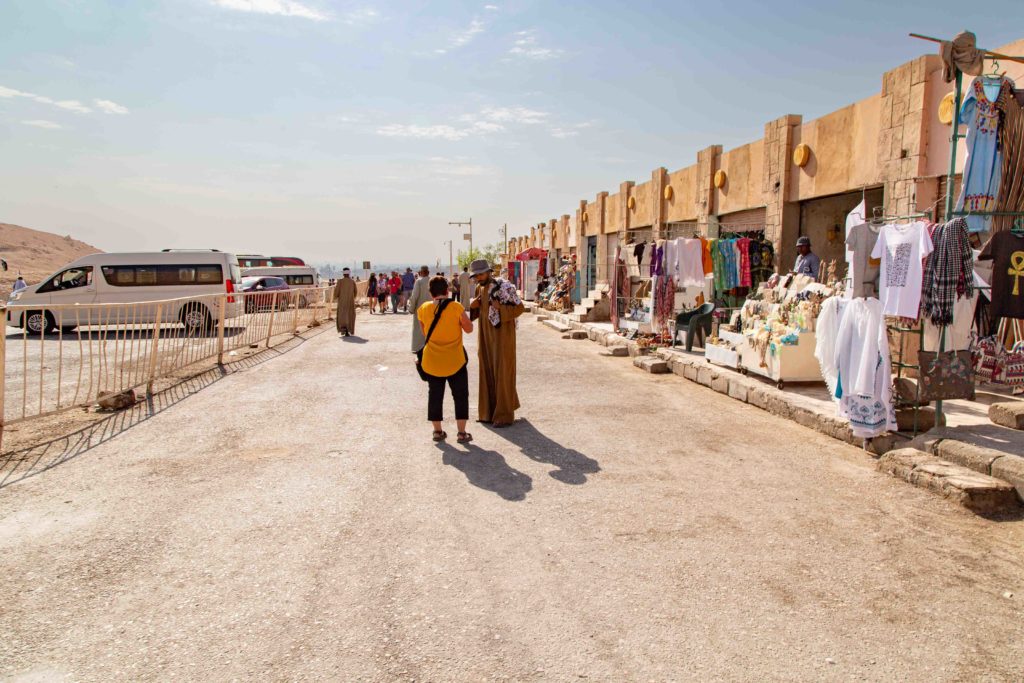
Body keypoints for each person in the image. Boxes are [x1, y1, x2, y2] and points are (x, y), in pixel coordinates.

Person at [468, 259, 525, 427]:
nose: (478, 277)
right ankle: (487, 412)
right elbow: (481, 311)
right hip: (485, 336)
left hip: (503, 337)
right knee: (486, 370)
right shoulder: (480, 288)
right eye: (476, 275)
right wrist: (474, 305)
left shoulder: (504, 287)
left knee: (502, 372)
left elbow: (519, 308)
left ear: (489, 271)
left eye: (481, 274)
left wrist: (501, 308)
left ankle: (504, 415)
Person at [418, 276, 474, 443]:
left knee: (435, 395)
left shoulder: (423, 308)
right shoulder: (456, 307)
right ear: (447, 290)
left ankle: (437, 431)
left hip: (432, 361)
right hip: (455, 360)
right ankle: (462, 433)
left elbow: (424, 333)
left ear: (430, 293)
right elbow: (469, 329)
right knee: (460, 395)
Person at [408, 265, 432, 351]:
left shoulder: (419, 282)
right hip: (432, 308)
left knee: (419, 329)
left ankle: (419, 348)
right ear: (428, 272)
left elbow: (414, 296)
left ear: (421, 273)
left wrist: (411, 309)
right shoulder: (432, 280)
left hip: (420, 309)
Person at [334, 268, 357, 336]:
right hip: (350, 302)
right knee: (350, 315)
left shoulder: (340, 282)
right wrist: (352, 297)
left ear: (343, 273)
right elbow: (355, 292)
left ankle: (343, 329)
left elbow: (336, 293)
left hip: (342, 302)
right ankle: (349, 329)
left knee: (342, 315)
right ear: (349, 273)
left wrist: (336, 297)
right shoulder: (352, 282)